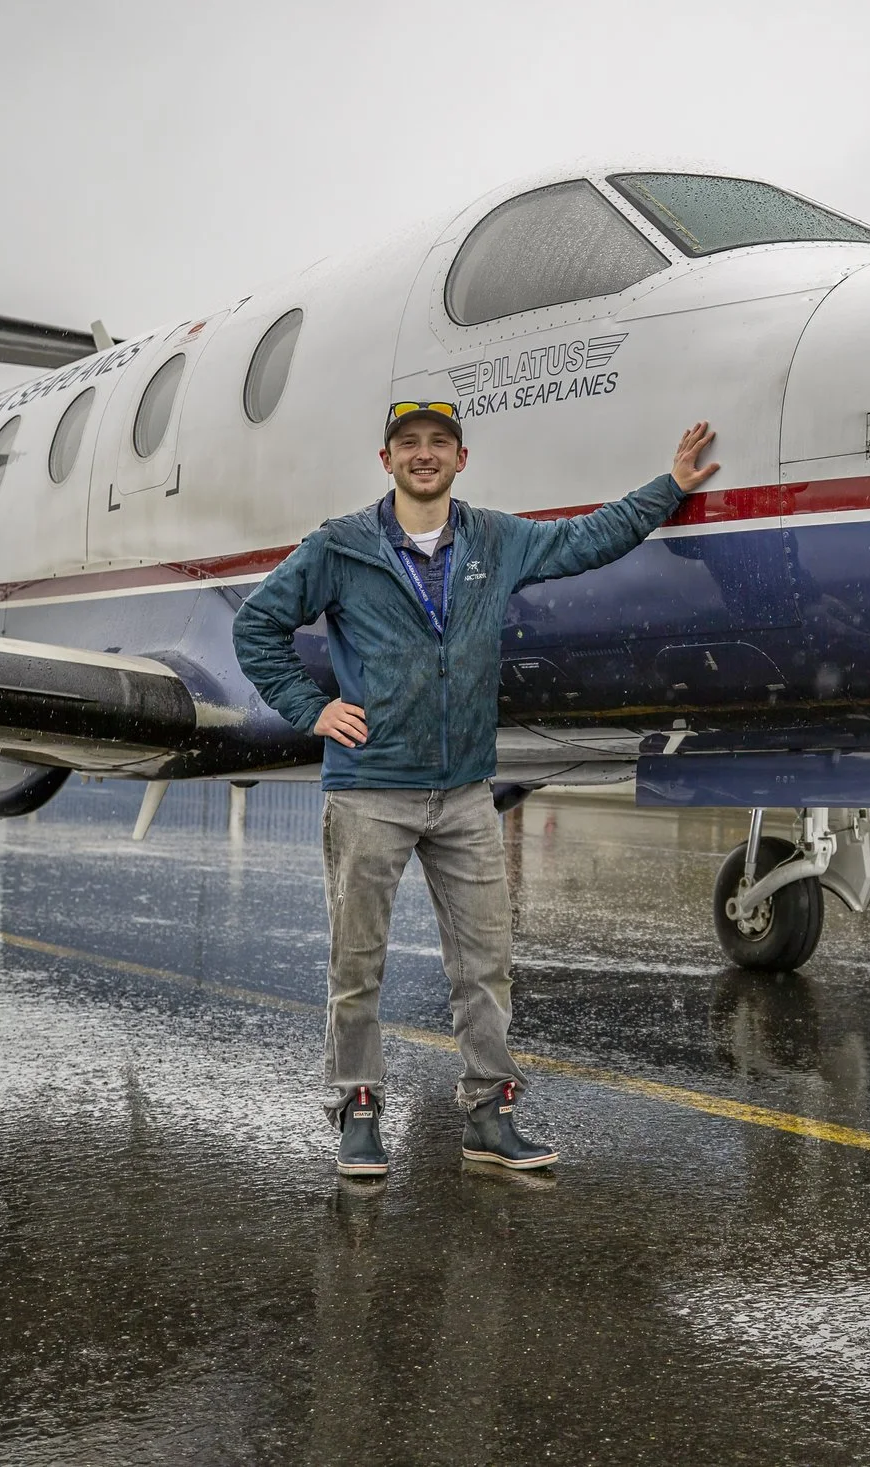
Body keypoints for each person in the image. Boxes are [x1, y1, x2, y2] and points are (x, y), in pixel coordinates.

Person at [233, 401, 719, 1179]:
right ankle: (358, 1108)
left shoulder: (497, 537)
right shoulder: (340, 546)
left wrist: (669, 487)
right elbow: (256, 626)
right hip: (371, 790)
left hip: (464, 792)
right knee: (357, 964)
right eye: (408, 444)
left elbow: (585, 540)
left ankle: (489, 1113)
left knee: (485, 963)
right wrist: (311, 707)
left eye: (438, 443)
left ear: (462, 457)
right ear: (384, 458)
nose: (423, 455)